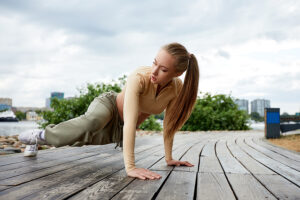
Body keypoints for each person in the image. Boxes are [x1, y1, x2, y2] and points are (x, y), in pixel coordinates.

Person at [18, 42, 199, 180]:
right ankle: (38, 133)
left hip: (120, 128)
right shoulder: (139, 77)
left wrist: (169, 158)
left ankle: (39, 138)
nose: (154, 71)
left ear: (176, 74)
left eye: (163, 69)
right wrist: (131, 167)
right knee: (91, 123)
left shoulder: (176, 89)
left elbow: (169, 123)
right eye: (154, 63)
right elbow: (130, 122)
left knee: (80, 139)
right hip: (109, 106)